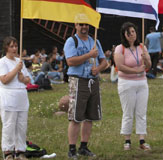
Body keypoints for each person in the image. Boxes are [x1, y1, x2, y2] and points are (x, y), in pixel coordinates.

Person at [64, 17, 107, 159]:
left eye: (86, 24)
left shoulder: (94, 41)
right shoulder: (72, 41)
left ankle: (84, 146)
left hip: (93, 81)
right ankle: (72, 149)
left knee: (90, 116)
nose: (84, 27)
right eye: (81, 24)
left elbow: (104, 62)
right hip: (78, 81)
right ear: (75, 25)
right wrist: (89, 55)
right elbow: (70, 61)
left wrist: (98, 69)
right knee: (76, 117)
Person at [114, 22, 152, 151]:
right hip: (126, 83)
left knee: (141, 112)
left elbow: (149, 65)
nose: (131, 35)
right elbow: (120, 66)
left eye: (133, 32)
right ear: (124, 35)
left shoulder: (142, 47)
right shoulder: (120, 48)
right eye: (128, 33)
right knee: (128, 112)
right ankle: (127, 140)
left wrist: (146, 59)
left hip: (142, 83)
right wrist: (136, 71)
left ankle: (142, 140)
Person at [0, 36, 31, 160]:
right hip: (8, 96)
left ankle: (20, 150)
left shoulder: (19, 61)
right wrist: (16, 69)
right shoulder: (2, 62)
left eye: (16, 46)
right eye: (12, 46)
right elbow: (4, 80)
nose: (15, 48)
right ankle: (8, 151)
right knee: (9, 124)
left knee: (21, 125)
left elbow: (28, 79)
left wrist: (23, 79)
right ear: (6, 48)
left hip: (21, 96)